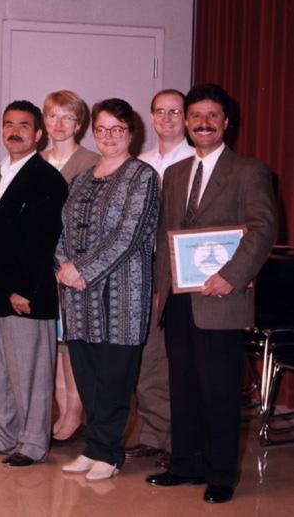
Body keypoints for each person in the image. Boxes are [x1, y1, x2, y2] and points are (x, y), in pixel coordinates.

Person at [146, 84, 275, 504]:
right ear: (186, 122)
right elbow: (168, 234)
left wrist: (232, 276)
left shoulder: (249, 171)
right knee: (181, 386)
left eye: (212, 117)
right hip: (180, 299)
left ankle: (221, 475)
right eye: (196, 116)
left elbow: (262, 229)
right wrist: (162, 294)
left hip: (221, 298)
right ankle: (184, 463)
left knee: (219, 391)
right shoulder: (177, 173)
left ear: (225, 123)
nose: (203, 123)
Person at [56, 98, 158, 480]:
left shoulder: (142, 176)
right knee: (86, 374)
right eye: (102, 129)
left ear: (131, 133)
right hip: (78, 296)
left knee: (115, 377)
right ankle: (94, 447)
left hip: (122, 297)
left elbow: (129, 235)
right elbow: (62, 228)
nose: (109, 137)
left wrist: (80, 268)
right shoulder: (80, 178)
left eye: (117, 129)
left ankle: (110, 453)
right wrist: (64, 267)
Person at [0, 100, 67, 466]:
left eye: (24, 125)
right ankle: (1, 435)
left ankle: (32, 444)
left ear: (38, 134)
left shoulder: (47, 178)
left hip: (25, 295)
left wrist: (25, 288)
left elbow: (44, 240)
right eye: (8, 123)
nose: (15, 131)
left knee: (31, 374)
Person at [125, 89, 193, 465]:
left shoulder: (194, 160)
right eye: (160, 112)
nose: (166, 119)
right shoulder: (141, 164)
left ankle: (175, 441)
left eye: (174, 112)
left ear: (184, 117)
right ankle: (152, 434)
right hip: (145, 272)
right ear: (150, 117)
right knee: (148, 359)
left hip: (181, 275)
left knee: (177, 361)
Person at [40, 90, 100, 441]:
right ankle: (64, 411)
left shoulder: (92, 161)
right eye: (52, 117)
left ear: (79, 123)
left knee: (72, 342)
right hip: (44, 268)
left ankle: (75, 412)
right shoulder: (38, 160)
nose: (59, 124)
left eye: (67, 117)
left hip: (76, 266)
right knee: (54, 343)